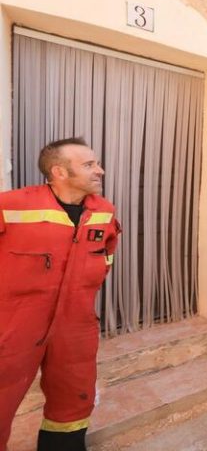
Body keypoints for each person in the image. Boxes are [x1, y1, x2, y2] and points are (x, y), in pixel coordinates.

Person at [0, 138, 121, 451]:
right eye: (89, 165)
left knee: (74, 395)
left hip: (76, 323)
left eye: (97, 163)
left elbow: (106, 255)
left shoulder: (104, 211)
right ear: (59, 172)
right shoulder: (12, 206)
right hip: (15, 324)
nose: (100, 170)